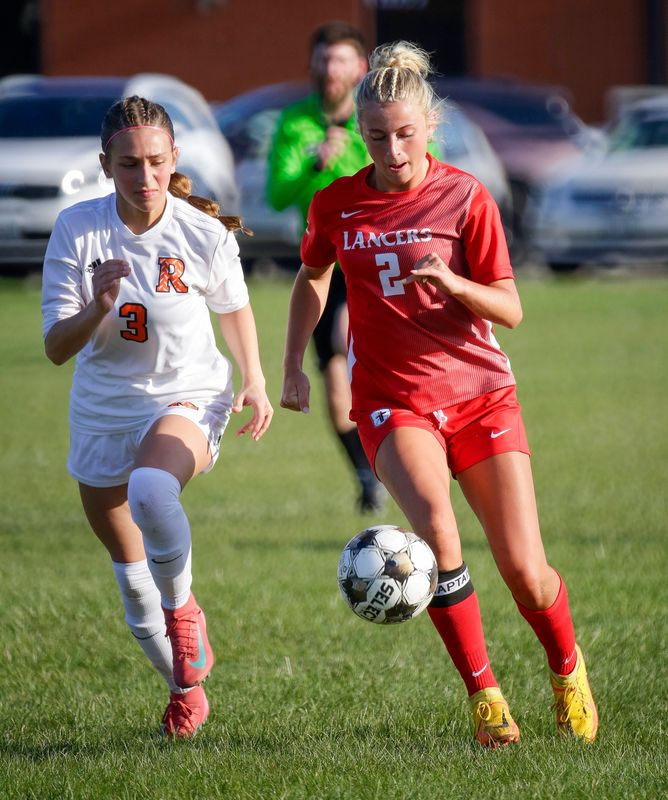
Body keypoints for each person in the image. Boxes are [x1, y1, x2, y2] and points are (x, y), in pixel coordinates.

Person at [280, 42, 598, 748]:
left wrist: (454, 285)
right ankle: (486, 698)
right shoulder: (337, 203)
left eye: (404, 133)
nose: (392, 151)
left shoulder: (466, 196)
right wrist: (294, 364)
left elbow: (510, 308)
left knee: (527, 573)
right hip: (392, 400)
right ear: (359, 132)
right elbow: (313, 275)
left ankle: (567, 669)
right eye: (375, 137)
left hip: (481, 396)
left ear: (430, 125)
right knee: (437, 532)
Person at [42, 96, 273, 739]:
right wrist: (97, 307)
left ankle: (184, 608)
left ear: (174, 159)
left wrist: (254, 379)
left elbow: (234, 308)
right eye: (128, 165)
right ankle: (184, 689)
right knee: (130, 577)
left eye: (154, 162)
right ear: (104, 165)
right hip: (102, 409)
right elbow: (56, 347)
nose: (144, 177)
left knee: (150, 488)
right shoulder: (77, 230)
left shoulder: (203, 233)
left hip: (188, 393)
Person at [267, 20, 385, 512]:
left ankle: (403, 449)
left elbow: (423, 169)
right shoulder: (294, 122)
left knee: (344, 339)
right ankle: (367, 476)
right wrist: (315, 163)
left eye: (340, 59)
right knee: (337, 390)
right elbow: (277, 195)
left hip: (375, 263)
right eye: (323, 58)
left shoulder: (377, 121)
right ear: (312, 64)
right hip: (322, 266)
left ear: (360, 67)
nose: (330, 68)